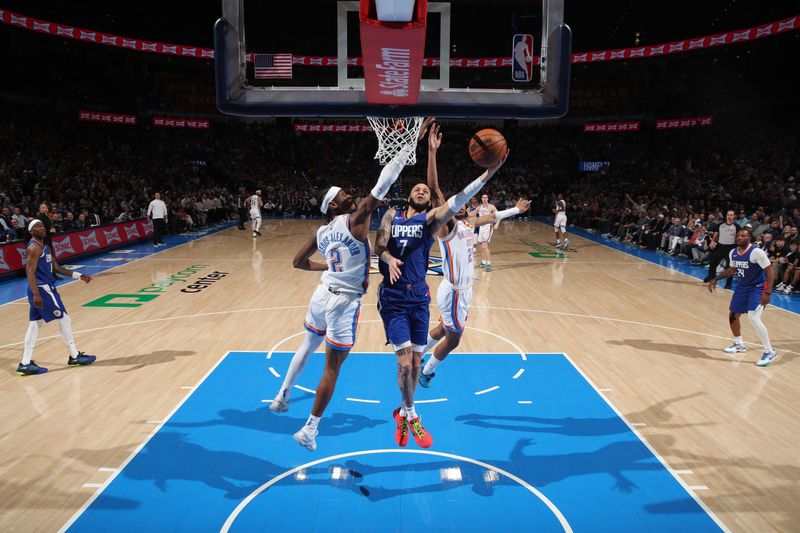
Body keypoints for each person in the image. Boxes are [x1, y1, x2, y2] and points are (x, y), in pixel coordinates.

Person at [269, 127, 427, 452]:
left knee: (307, 344)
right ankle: (310, 429)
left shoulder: (321, 231)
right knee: (332, 366)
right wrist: (409, 144)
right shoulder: (355, 220)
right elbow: (383, 183)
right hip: (343, 302)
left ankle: (283, 394)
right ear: (334, 205)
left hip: (321, 292)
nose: (348, 195)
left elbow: (297, 262)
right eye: (342, 195)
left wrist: (325, 266)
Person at [376, 135, 508, 449]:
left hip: (419, 299)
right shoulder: (391, 215)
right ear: (408, 195)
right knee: (405, 364)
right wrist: (388, 257)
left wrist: (488, 174)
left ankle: (404, 411)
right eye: (416, 188)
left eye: (426, 189)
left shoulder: (433, 220)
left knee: (417, 365)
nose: (422, 190)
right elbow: (379, 244)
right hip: (394, 299)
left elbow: (458, 198)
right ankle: (412, 415)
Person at [416, 124, 530, 387]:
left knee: (445, 329)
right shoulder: (448, 226)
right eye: (461, 204)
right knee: (454, 340)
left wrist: (515, 209)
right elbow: (434, 190)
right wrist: (432, 152)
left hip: (460, 291)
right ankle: (428, 371)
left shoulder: (468, 224)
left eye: (467, 205)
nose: (465, 206)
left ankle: (419, 355)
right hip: (455, 291)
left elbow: (491, 216)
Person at [16, 220, 97, 375]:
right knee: (64, 319)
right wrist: (36, 293)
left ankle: (25, 363)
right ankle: (74, 356)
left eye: (42, 225)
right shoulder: (33, 247)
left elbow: (57, 268)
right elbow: (29, 272)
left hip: (44, 288)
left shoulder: (44, 247)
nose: (41, 227)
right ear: (31, 232)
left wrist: (78, 275)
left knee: (35, 324)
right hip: (42, 289)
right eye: (37, 226)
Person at [708, 228, 778, 367]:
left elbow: (770, 272)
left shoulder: (756, 252)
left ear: (749, 238)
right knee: (733, 315)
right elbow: (732, 270)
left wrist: (767, 293)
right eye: (738, 235)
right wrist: (716, 278)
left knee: (753, 317)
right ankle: (739, 343)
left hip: (758, 287)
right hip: (742, 287)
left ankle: (769, 352)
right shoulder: (733, 252)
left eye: (743, 236)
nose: (740, 237)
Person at [704, 210, 737, 289]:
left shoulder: (737, 226)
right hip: (720, 246)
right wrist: (713, 242)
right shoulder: (720, 225)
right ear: (726, 216)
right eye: (728, 215)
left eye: (731, 215)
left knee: (730, 267)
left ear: (734, 216)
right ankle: (711, 276)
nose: (729, 216)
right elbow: (715, 235)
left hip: (730, 248)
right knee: (713, 263)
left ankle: (728, 283)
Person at [476, 193, 498, 271]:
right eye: (483, 197)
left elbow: (499, 215)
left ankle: (488, 264)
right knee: (482, 246)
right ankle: (483, 262)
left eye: (486, 197)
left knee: (485, 246)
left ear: (488, 199)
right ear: (481, 199)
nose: (484, 198)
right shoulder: (479, 207)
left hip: (488, 227)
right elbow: (472, 214)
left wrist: (497, 224)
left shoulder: (491, 206)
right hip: (481, 227)